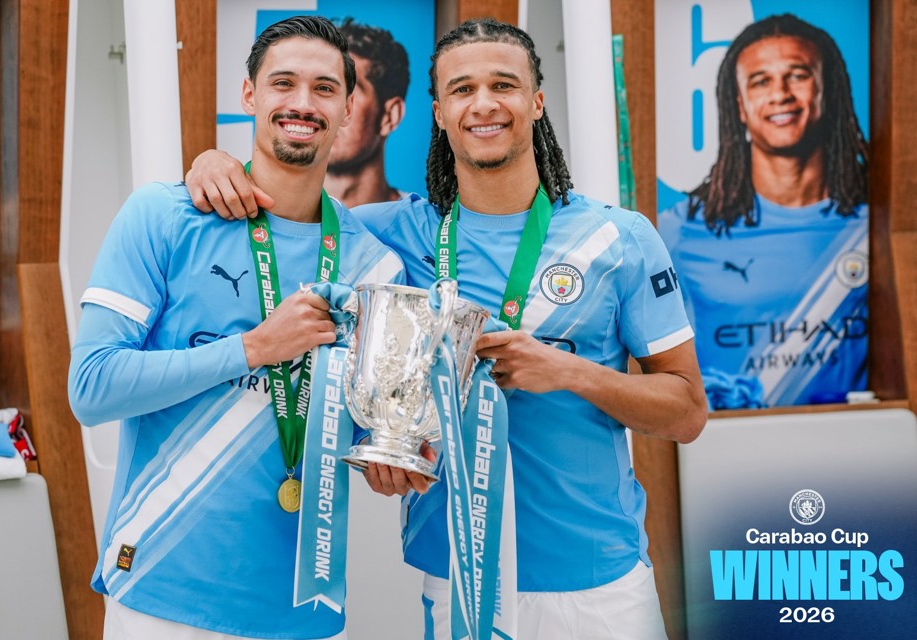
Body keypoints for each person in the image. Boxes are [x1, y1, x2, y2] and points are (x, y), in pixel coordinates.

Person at [186, 17, 708, 640]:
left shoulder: (618, 239)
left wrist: (566, 370)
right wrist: (211, 163)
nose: (484, 104)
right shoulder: (386, 233)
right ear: (437, 112)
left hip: (595, 584)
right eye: (462, 90)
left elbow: (686, 413)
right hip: (457, 575)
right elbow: (286, 201)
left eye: (504, 85)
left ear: (536, 101)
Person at [67, 16, 404, 640]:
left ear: (349, 105)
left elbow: (364, 420)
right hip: (160, 599)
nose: (302, 103)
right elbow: (91, 388)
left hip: (303, 609)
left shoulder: (375, 265)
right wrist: (251, 349)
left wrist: (396, 459)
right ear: (249, 96)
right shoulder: (164, 215)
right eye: (283, 83)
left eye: (325, 88)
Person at [657, 14, 869, 409]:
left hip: (860, 451)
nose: (780, 94)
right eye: (761, 81)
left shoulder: (881, 220)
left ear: (829, 91)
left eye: (798, 75)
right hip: (730, 456)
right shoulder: (679, 231)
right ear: (739, 105)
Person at [325, 18, 409, 207]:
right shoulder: (266, 218)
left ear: (390, 116)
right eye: (324, 89)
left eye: (349, 91)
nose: (326, 109)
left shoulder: (424, 228)